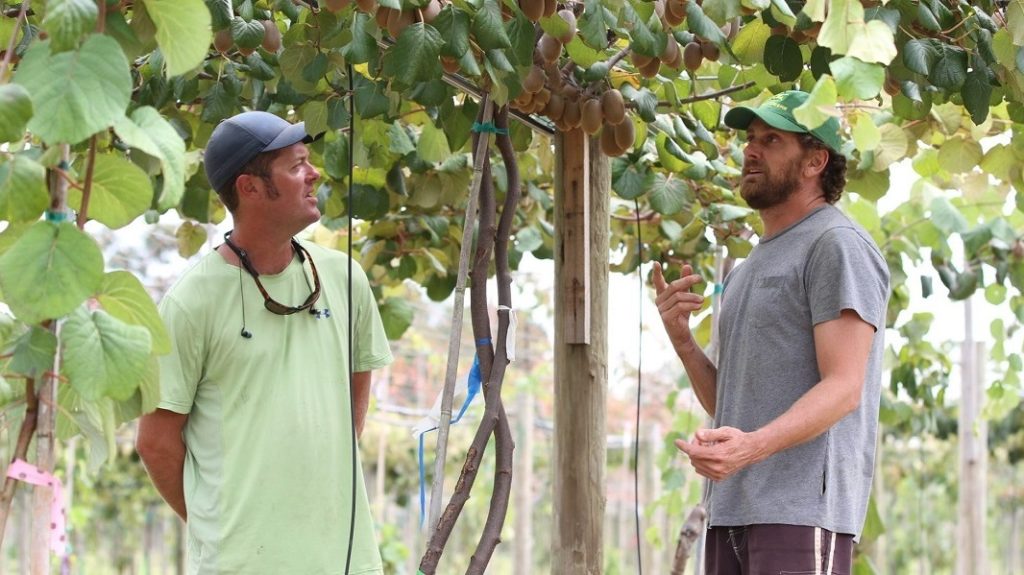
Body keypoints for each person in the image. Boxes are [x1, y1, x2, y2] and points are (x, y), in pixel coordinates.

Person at [137, 111, 393, 574]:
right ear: (250, 188)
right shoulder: (190, 302)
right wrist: (221, 529)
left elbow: (352, 407)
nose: (314, 173)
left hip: (346, 560)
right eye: (296, 166)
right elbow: (156, 442)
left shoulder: (344, 277)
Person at [653, 91, 889, 574]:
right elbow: (732, 401)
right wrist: (683, 342)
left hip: (801, 514)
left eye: (772, 140)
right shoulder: (746, 268)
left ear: (815, 161)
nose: (751, 150)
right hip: (732, 510)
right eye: (750, 138)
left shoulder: (835, 245)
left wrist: (751, 448)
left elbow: (845, 388)